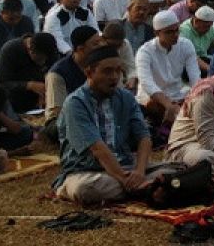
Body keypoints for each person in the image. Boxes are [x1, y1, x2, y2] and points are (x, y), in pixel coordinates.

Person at [53, 46, 164, 204]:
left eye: (118, 71)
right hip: (88, 171)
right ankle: (150, 188)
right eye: (107, 71)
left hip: (127, 166)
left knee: (178, 170)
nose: (114, 77)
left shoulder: (126, 97)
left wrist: (139, 172)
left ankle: (146, 186)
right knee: (85, 189)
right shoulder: (75, 103)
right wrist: (124, 179)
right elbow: (97, 148)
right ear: (89, 72)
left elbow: (144, 137)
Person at [135, 10, 201, 126]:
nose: (175, 35)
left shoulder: (186, 45)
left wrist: (198, 97)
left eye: (177, 30)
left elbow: (195, 77)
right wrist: (169, 106)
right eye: (169, 32)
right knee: (154, 106)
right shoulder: (145, 51)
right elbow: (147, 83)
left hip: (177, 94)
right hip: (153, 98)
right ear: (157, 33)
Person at [0, 31, 58, 112]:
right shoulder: (11, 50)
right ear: (30, 50)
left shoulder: (50, 52)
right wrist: (29, 85)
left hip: (43, 101)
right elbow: (2, 83)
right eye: (40, 59)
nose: (44, 62)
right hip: (14, 99)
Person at [179, 5, 214, 74]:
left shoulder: (210, 28)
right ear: (196, 21)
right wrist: (211, 70)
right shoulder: (184, 31)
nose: (208, 29)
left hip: (204, 58)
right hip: (187, 63)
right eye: (205, 26)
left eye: (209, 26)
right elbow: (192, 57)